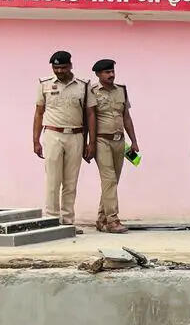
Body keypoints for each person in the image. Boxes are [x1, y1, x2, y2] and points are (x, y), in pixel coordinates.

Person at [31, 50, 89, 226]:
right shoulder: (44, 84)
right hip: (52, 134)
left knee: (71, 182)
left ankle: (68, 221)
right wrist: (35, 140)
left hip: (76, 135)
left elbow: (89, 115)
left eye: (63, 67)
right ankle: (51, 220)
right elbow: (39, 113)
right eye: (56, 68)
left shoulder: (83, 85)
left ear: (70, 66)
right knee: (53, 180)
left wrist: (88, 142)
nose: (60, 71)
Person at [85, 59, 138, 233]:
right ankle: (113, 220)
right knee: (109, 180)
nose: (111, 75)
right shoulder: (92, 91)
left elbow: (126, 117)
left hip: (119, 141)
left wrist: (134, 141)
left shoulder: (121, 90)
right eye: (107, 72)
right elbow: (89, 119)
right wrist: (90, 143)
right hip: (102, 141)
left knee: (112, 182)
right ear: (98, 75)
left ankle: (101, 219)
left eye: (112, 71)